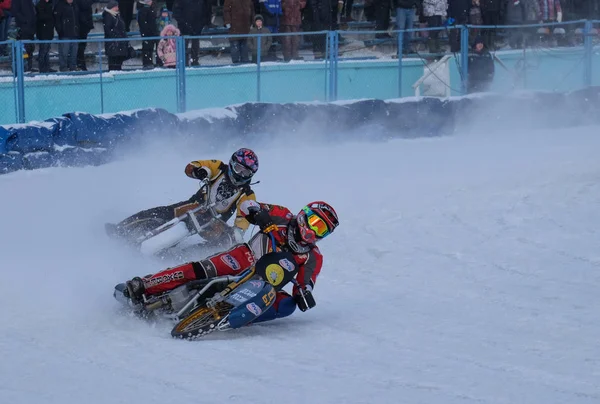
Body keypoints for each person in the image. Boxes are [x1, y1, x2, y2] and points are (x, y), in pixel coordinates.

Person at [123, 199, 339, 324]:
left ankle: (234, 318)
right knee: (202, 269)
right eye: (314, 223)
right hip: (244, 258)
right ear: (304, 215)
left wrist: (304, 294)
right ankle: (145, 284)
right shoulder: (283, 216)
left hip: (265, 285)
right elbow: (247, 205)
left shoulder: (313, 256)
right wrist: (258, 215)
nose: (313, 231)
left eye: (322, 230)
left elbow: (306, 282)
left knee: (287, 305)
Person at [106, 148, 260, 245]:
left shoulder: (247, 194)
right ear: (232, 163)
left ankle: (187, 260)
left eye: (246, 172)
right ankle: (121, 229)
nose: (240, 174)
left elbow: (243, 220)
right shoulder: (219, 167)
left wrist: (237, 232)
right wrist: (200, 171)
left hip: (214, 223)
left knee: (227, 243)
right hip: (194, 207)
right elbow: (193, 165)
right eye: (239, 168)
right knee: (161, 213)